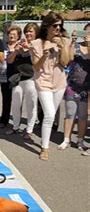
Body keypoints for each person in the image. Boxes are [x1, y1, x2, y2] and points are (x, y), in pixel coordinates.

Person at [30, 11, 73, 161]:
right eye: (55, 25)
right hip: (43, 81)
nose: (57, 28)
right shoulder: (36, 43)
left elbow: (65, 63)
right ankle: (45, 147)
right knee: (49, 114)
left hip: (59, 82)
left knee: (52, 115)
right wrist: (45, 54)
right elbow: (36, 67)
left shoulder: (63, 41)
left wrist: (63, 48)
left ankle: (45, 142)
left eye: (60, 26)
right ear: (47, 26)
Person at [57, 23, 90, 152]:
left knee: (82, 116)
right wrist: (72, 42)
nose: (87, 35)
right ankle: (66, 139)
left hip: (86, 88)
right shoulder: (76, 46)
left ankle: (80, 141)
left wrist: (88, 45)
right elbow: (69, 59)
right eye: (86, 32)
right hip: (72, 85)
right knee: (70, 113)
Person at [5, 23, 39, 138]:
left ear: (36, 33)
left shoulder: (38, 45)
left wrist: (30, 49)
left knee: (31, 104)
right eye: (27, 31)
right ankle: (15, 126)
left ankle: (29, 130)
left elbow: (38, 61)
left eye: (31, 31)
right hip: (18, 78)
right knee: (15, 103)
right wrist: (16, 51)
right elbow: (9, 61)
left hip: (31, 78)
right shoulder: (19, 44)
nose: (29, 33)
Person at [0, 26, 21, 128]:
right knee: (6, 99)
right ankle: (4, 120)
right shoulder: (3, 46)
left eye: (14, 34)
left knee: (17, 101)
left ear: (18, 36)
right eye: (10, 34)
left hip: (16, 76)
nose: (11, 36)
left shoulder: (20, 47)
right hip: (4, 76)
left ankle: (17, 122)